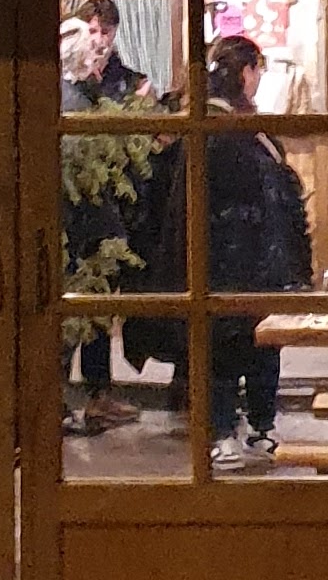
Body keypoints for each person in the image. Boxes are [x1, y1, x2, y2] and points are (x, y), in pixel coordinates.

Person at [132, 34, 312, 466]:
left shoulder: (207, 125)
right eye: (257, 71)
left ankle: (238, 429)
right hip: (242, 258)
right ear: (246, 72)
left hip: (230, 258)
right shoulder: (232, 130)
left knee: (242, 348)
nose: (258, 79)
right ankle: (243, 430)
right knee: (243, 349)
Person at [61, 0, 146, 430]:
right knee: (70, 301)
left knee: (97, 301)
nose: (97, 41)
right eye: (90, 32)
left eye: (103, 32)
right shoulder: (68, 89)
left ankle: (97, 392)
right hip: (75, 212)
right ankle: (59, 396)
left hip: (108, 207)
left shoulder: (124, 82)